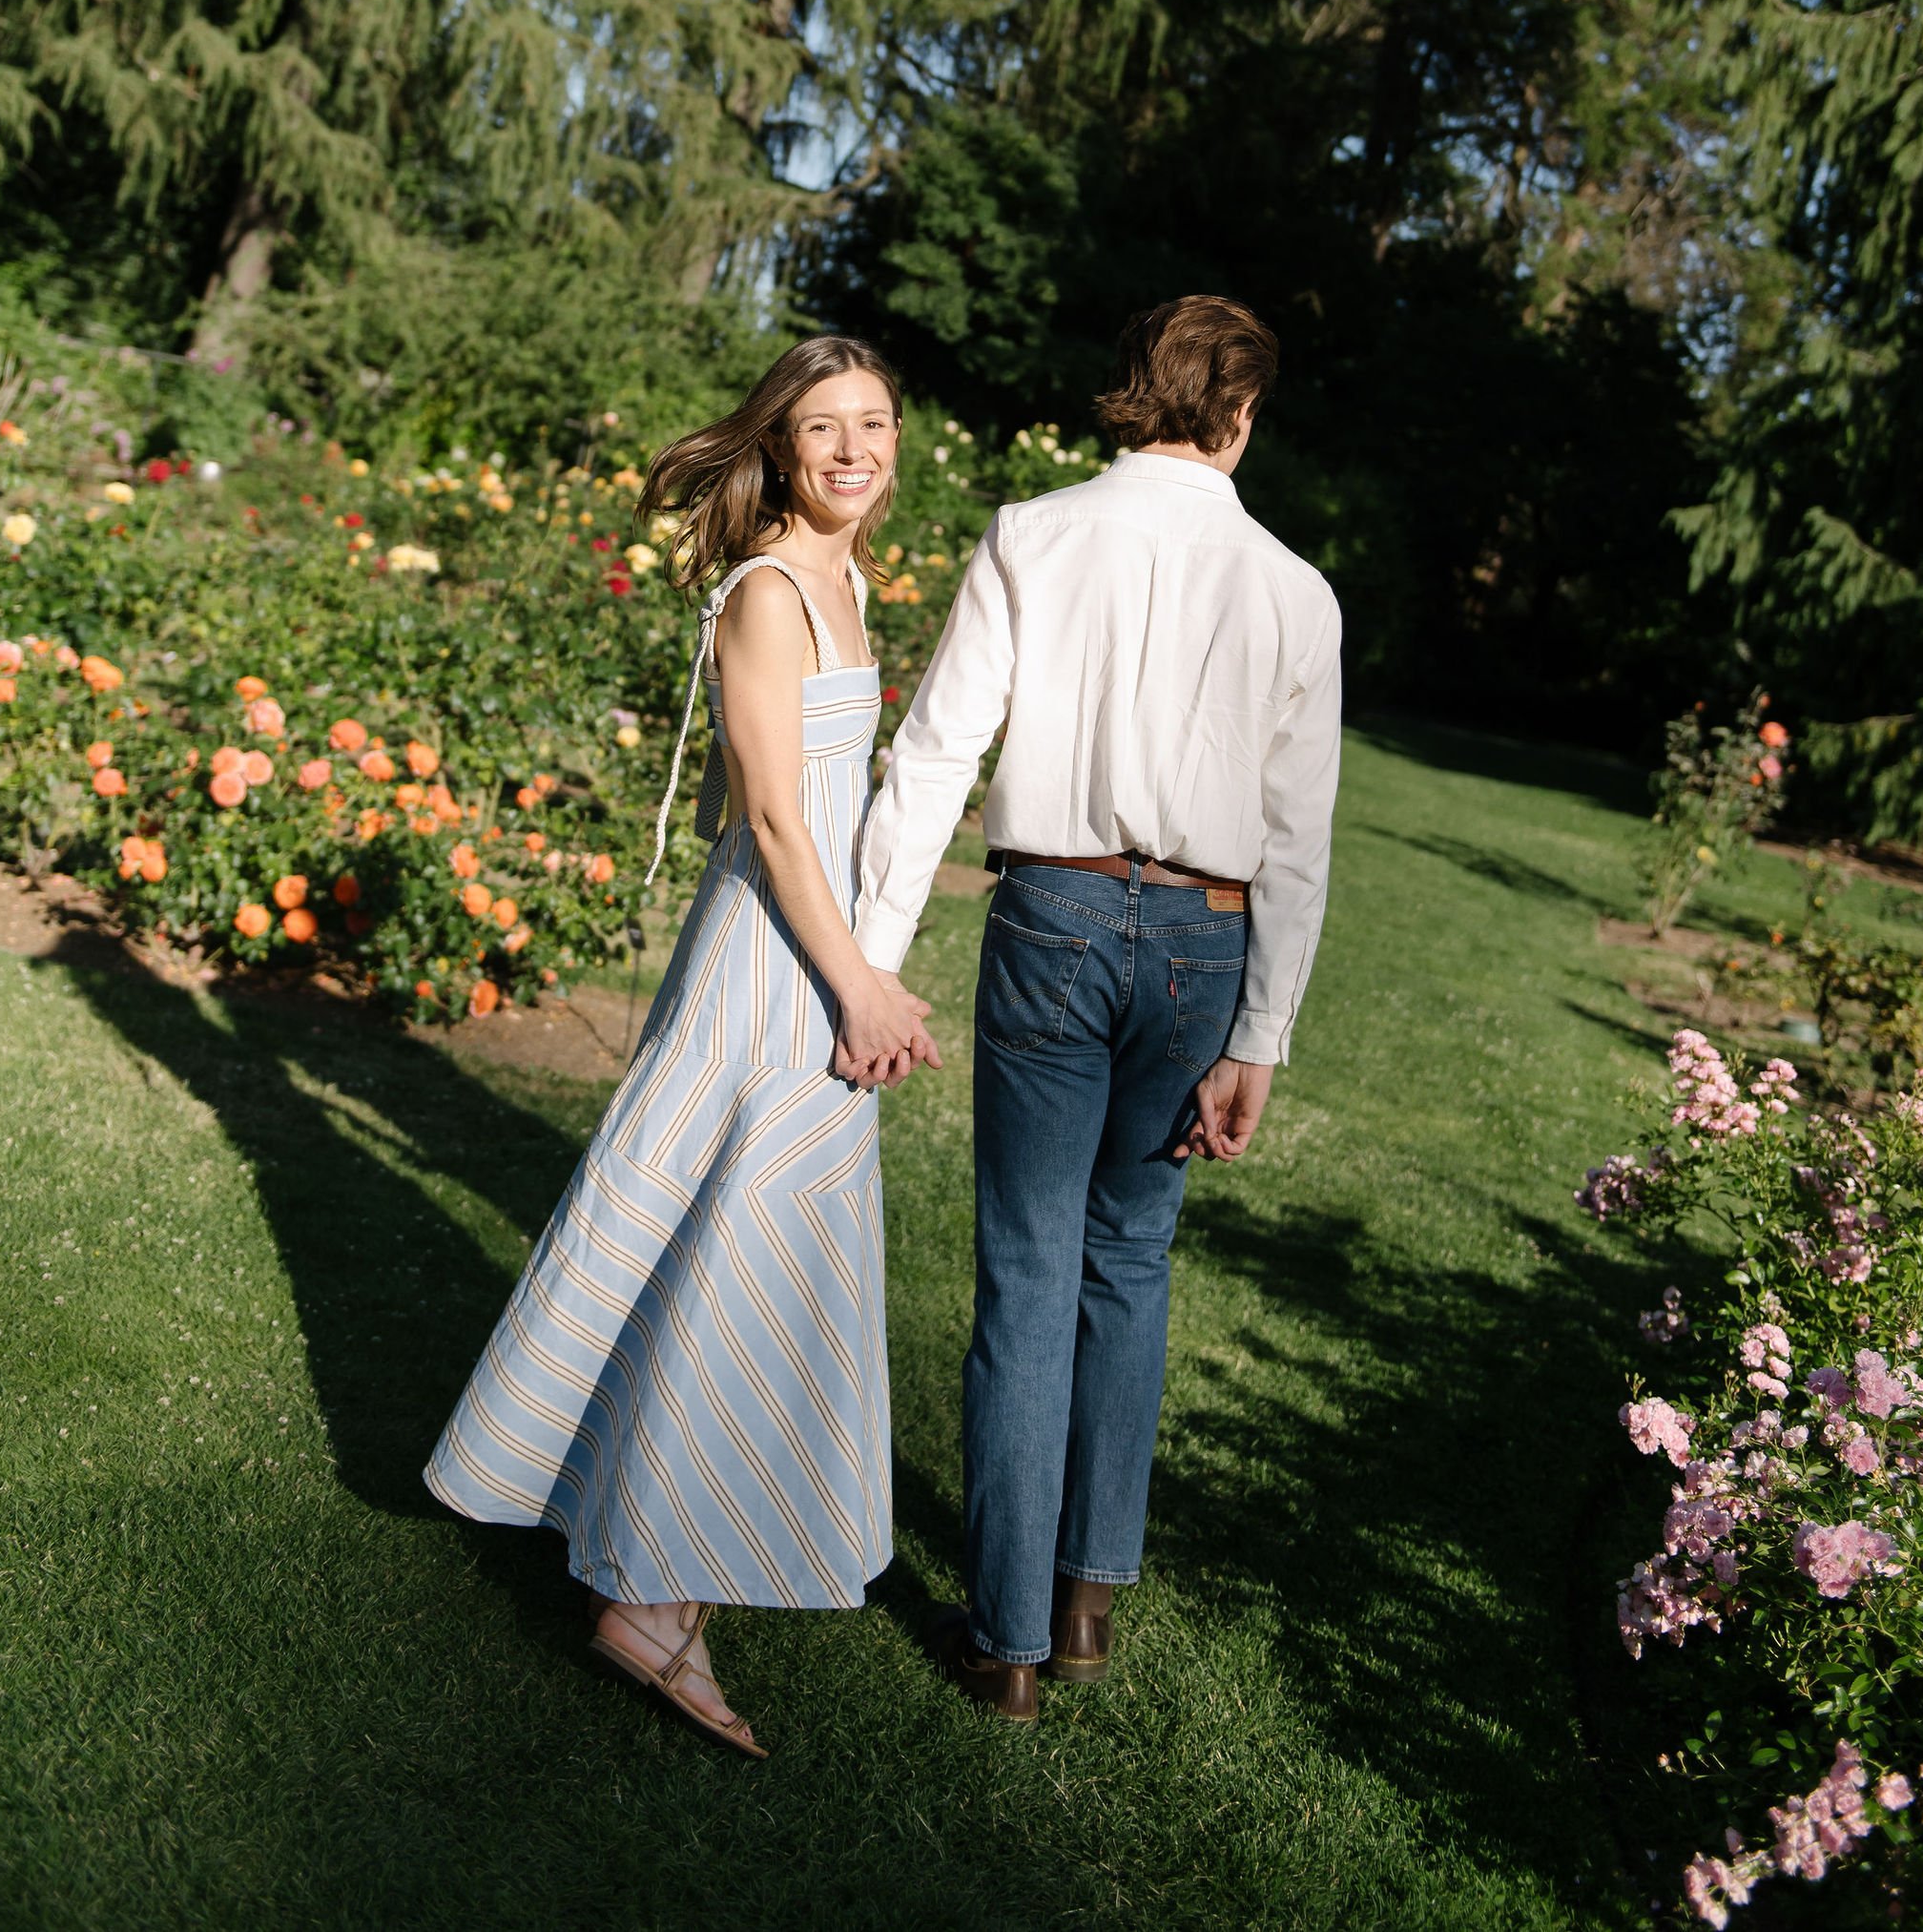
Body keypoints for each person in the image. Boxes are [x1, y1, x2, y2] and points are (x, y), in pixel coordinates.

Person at [425, 338, 938, 1757]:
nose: (853, 449)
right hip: (775, 959)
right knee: (719, 1240)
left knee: (743, 1247)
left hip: (814, 944)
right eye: (824, 427)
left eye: (874, 423)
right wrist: (863, 991)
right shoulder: (771, 592)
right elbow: (771, 819)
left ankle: (661, 1573)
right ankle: (654, 1594)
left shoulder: (843, 575)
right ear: (778, 446)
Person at [854, 294, 1341, 1720]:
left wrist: (878, 955)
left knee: (1026, 1262)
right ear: (1243, 413)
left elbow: (937, 749)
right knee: (1131, 1256)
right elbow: (1296, 837)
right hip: (1205, 936)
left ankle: (1001, 1641)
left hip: (1056, 914)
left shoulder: (1034, 531)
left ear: (1136, 390)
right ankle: (1083, 1607)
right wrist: (1261, 1033)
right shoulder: (1295, 589)